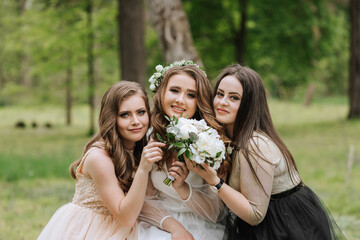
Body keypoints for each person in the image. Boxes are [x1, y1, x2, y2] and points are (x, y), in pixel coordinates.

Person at [186, 64, 346, 240]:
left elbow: (255, 215)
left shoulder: (255, 145)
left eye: (234, 98)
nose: (223, 102)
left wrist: (214, 181)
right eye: (220, 94)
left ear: (249, 104)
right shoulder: (228, 138)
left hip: (286, 226)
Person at [38, 81, 165, 240]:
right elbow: (126, 217)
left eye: (141, 112)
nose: (136, 121)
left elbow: (149, 200)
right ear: (112, 118)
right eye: (125, 114)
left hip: (127, 227)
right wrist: (143, 169)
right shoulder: (99, 158)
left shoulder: (141, 148)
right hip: (93, 229)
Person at [138, 60, 230, 240]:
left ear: (199, 101)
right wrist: (174, 228)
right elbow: (145, 200)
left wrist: (182, 188)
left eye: (191, 95)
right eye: (174, 90)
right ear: (162, 92)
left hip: (202, 225)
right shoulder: (146, 137)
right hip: (159, 222)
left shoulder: (212, 142)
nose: (180, 100)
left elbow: (217, 213)